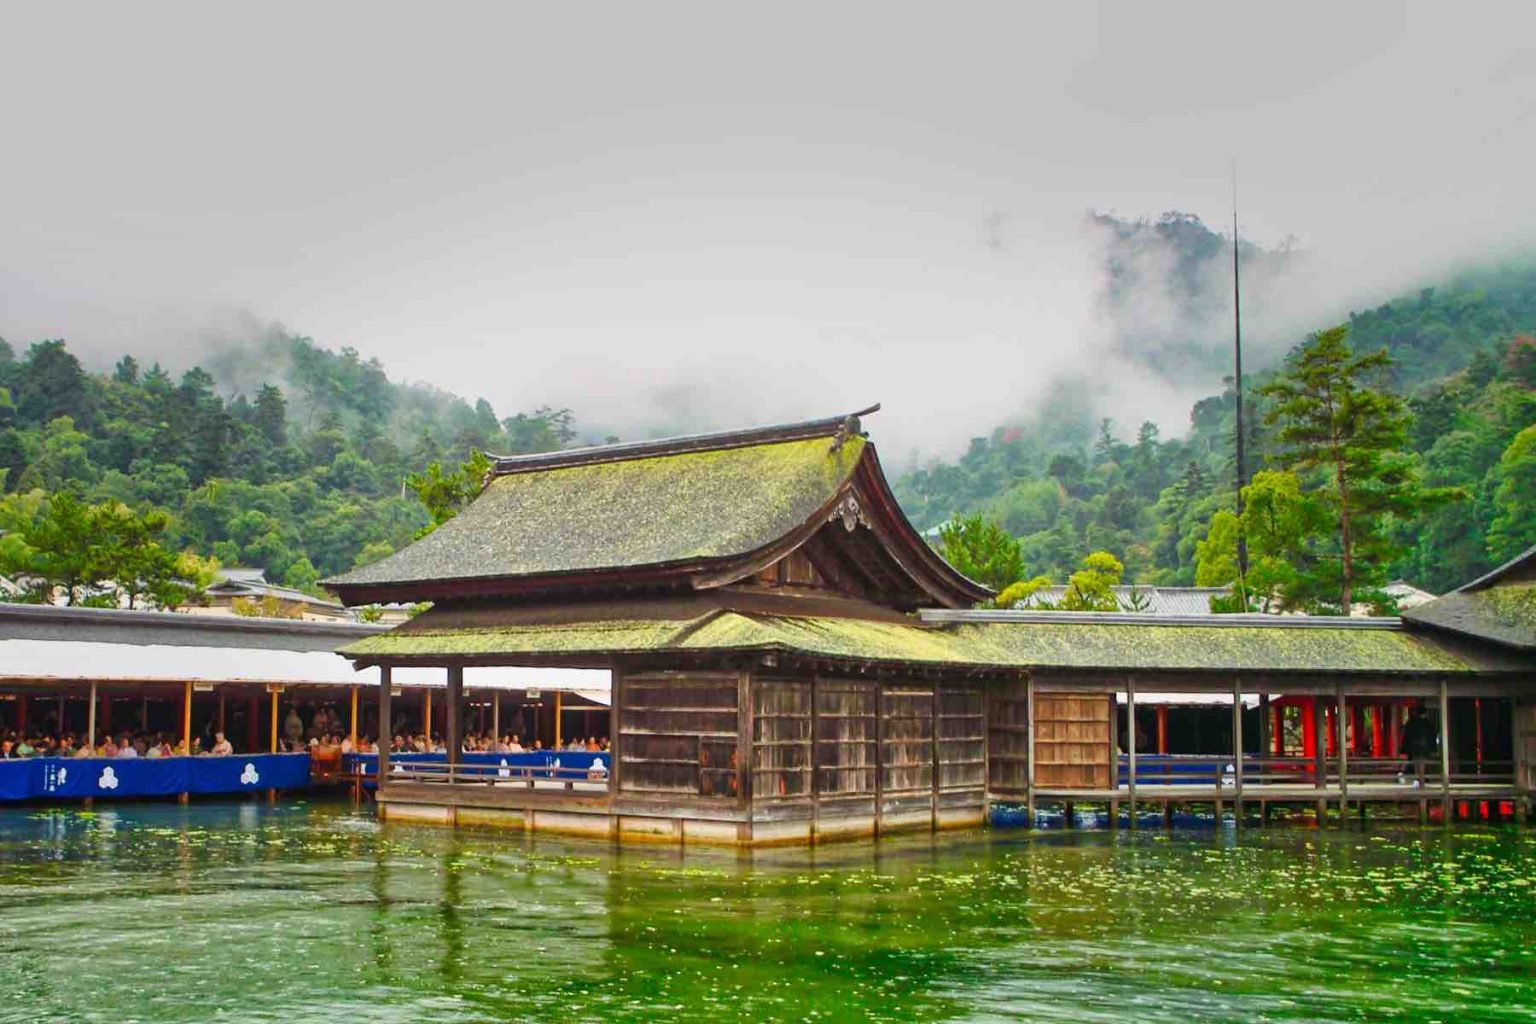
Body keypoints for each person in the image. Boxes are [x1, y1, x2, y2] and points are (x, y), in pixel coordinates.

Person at [1403, 705, 1438, 787]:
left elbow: (1407, 735)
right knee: (1422, 766)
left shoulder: (1412, 723)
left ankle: (1418, 782)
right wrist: (1433, 749)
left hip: (1414, 749)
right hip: (1425, 749)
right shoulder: (1429, 724)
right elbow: (1433, 736)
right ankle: (1421, 783)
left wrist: (1406, 749)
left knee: (1416, 766)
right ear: (1425, 713)